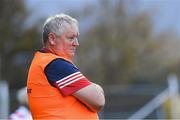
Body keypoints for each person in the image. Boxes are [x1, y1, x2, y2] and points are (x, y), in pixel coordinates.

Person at [27, 13, 105, 119]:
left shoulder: (45, 61)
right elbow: (98, 100)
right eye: (70, 38)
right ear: (52, 39)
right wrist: (97, 87)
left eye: (76, 38)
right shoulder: (56, 65)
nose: (76, 43)